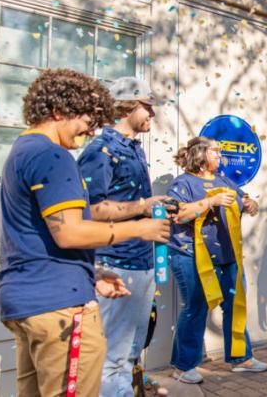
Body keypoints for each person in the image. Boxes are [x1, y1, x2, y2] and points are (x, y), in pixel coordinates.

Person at [0, 68, 170, 396]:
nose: (92, 129)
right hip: (58, 304)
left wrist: (92, 273)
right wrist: (139, 227)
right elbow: (69, 232)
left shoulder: (23, 149)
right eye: (88, 118)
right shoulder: (52, 155)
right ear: (59, 110)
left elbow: (40, 235)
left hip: (28, 299)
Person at [78, 77, 172, 397]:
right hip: (115, 265)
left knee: (130, 353)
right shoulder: (100, 151)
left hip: (142, 261)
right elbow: (91, 210)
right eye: (147, 106)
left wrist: (153, 210)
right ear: (127, 107)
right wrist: (143, 206)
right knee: (111, 359)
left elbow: (128, 204)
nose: (152, 114)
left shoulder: (134, 149)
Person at [167, 137, 266, 383]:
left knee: (235, 305)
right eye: (216, 151)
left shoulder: (224, 180)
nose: (220, 156)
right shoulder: (182, 183)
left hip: (227, 256)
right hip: (191, 255)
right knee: (196, 307)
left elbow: (244, 199)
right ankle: (183, 365)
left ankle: (241, 358)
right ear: (200, 153)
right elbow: (178, 215)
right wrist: (210, 201)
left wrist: (250, 204)